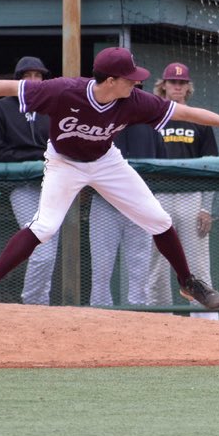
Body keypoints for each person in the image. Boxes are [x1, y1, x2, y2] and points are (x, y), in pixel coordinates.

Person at [0, 46, 219, 311]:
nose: (135, 83)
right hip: (63, 162)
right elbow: (6, 87)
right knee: (45, 226)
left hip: (105, 161)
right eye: (130, 78)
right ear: (110, 80)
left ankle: (187, 282)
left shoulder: (134, 101)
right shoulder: (63, 91)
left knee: (159, 219)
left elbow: (185, 113)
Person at [145, 62, 219, 319]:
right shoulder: (152, 118)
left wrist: (205, 207)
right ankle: (158, 320)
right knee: (156, 263)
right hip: (159, 197)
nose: (177, 86)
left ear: (187, 87)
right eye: (173, 82)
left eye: (182, 83)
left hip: (191, 196)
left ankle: (205, 323)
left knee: (197, 262)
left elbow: (211, 166)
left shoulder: (199, 118)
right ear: (163, 85)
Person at [0, 55, 61, 305]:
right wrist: (32, 157)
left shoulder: (53, 106)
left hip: (52, 185)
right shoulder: (2, 107)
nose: (33, 80)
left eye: (37, 76)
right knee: (42, 251)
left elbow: (62, 145)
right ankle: (31, 304)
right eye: (27, 76)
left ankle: (40, 305)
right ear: (17, 80)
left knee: (48, 252)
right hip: (22, 187)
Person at [89, 119, 168, 306]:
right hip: (105, 203)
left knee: (140, 269)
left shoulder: (150, 125)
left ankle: (138, 318)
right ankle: (98, 317)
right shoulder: (100, 122)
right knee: (101, 267)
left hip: (139, 205)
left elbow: (162, 165)